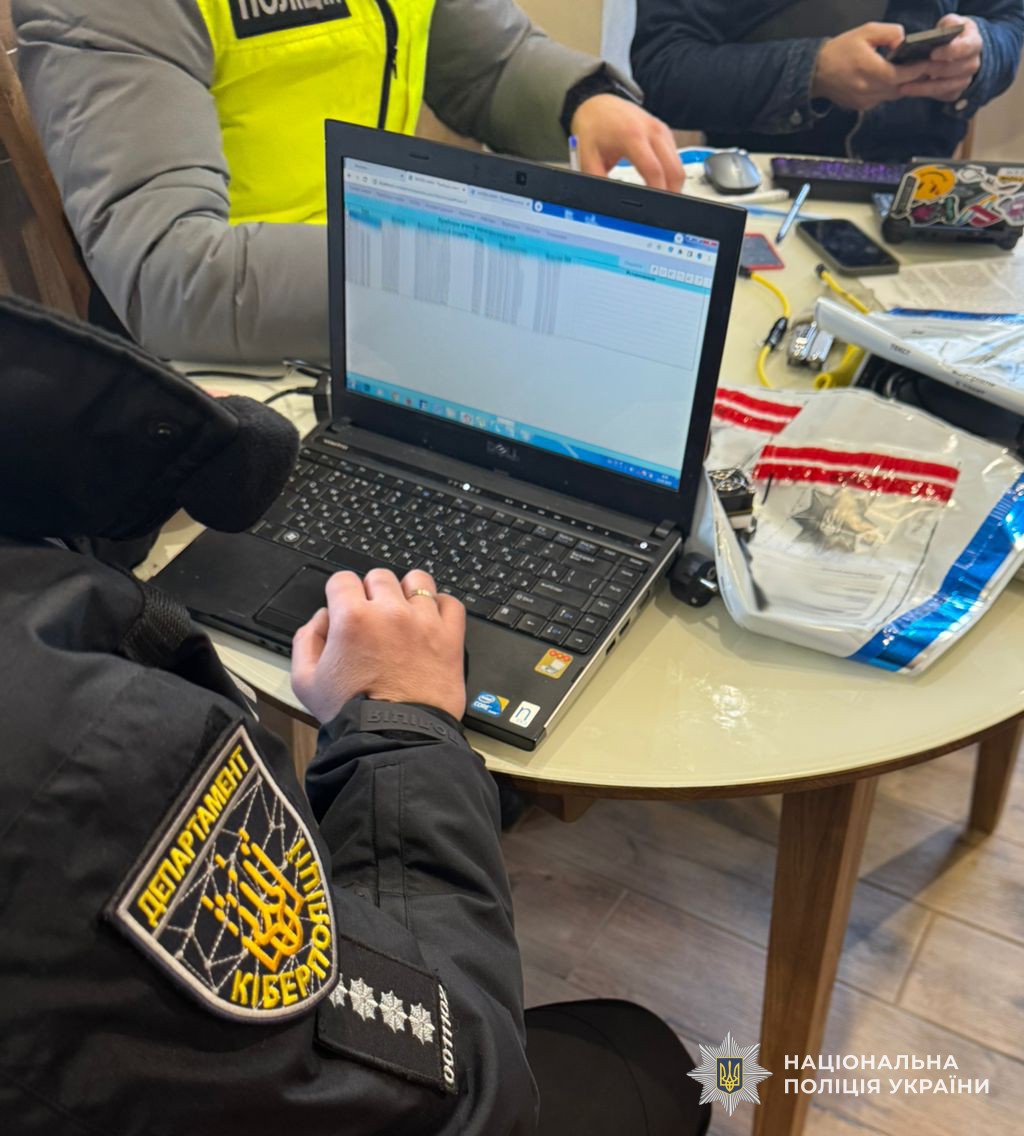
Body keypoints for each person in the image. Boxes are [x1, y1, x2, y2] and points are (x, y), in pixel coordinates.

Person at [0, 295, 710, 1136]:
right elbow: (472, 1091)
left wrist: (109, 491)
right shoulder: (82, 754)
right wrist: (401, 719)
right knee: (657, 1064)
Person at [12, 0, 684, 365]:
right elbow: (167, 278)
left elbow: (491, 63)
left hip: (386, 306)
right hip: (223, 369)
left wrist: (581, 100)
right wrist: (445, 264)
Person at [631, 1, 1024, 161]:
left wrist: (982, 51)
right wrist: (813, 71)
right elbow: (661, 68)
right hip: (761, 193)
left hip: (920, 197)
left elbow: (1008, 20)